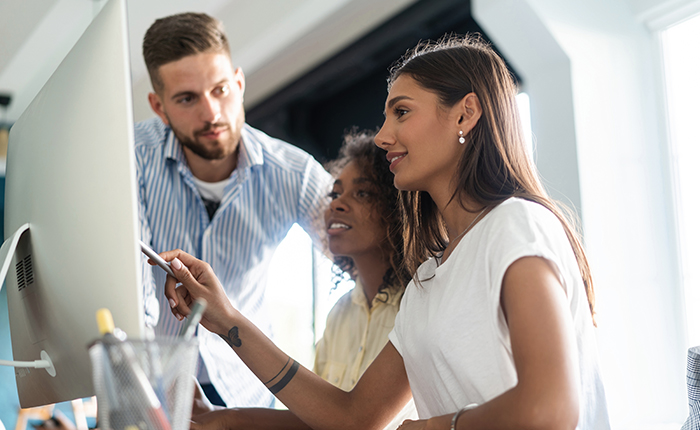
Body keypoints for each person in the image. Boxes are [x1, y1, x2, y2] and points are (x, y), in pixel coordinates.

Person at [161, 34, 610, 429]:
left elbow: (550, 410)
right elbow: (352, 418)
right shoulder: (428, 283)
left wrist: (438, 428)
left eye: (401, 112)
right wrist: (226, 322)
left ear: (465, 114)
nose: (382, 136)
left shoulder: (516, 226)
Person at [135, 12, 332, 409]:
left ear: (239, 84)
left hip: (250, 396)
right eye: (187, 99)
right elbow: (131, 288)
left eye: (221, 90)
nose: (211, 113)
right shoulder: (131, 158)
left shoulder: (295, 174)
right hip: (156, 394)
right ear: (159, 107)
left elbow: (362, 260)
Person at [188, 130, 417, 429]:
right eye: (335, 194)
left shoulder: (417, 306)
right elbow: (318, 420)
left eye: (362, 193)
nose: (336, 204)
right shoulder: (341, 314)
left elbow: (354, 421)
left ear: (397, 206)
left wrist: (227, 318)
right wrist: (214, 414)